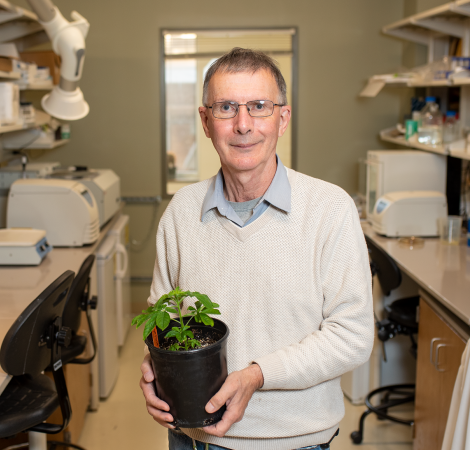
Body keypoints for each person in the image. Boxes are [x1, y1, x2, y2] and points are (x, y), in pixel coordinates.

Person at [139, 47, 374, 450]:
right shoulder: (181, 212)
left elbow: (351, 336)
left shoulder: (329, 210)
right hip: (192, 437)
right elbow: (161, 316)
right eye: (226, 107)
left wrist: (256, 374)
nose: (243, 125)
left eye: (259, 107)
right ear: (206, 121)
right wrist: (153, 368)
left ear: (282, 119)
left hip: (294, 441)